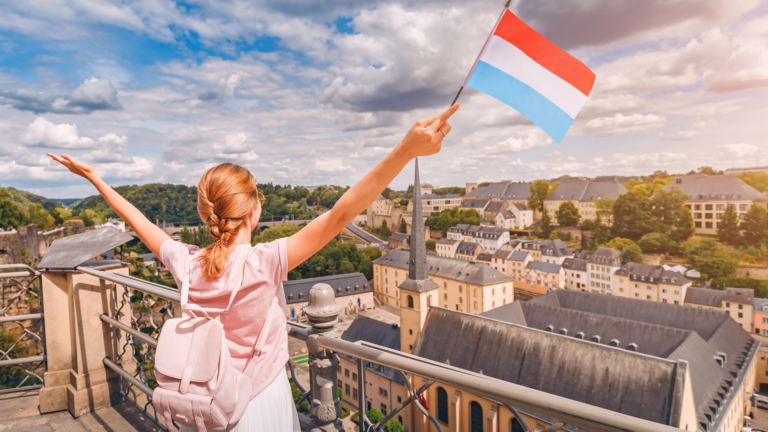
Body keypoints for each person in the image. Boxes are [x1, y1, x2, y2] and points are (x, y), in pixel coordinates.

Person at [47, 104, 458, 431]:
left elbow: (141, 223)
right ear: (256, 208)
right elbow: (340, 213)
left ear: (208, 216)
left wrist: (95, 179)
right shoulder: (264, 262)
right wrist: (405, 150)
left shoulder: (186, 264)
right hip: (258, 401)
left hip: (204, 404)